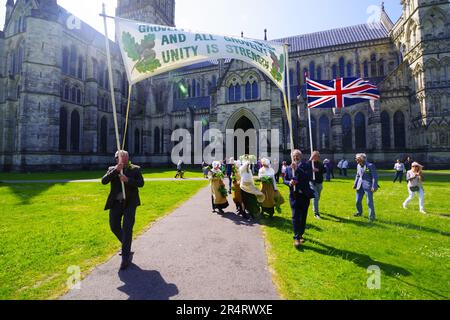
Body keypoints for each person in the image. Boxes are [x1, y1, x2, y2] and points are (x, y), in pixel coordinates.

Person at [102, 150, 144, 271]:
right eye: (122, 159)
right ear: (117, 159)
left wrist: (128, 180)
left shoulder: (135, 169)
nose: (125, 161)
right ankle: (126, 244)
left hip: (130, 203)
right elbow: (104, 181)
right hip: (116, 203)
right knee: (114, 226)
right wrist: (116, 170)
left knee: (127, 228)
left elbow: (141, 183)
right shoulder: (112, 169)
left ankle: (125, 257)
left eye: (126, 158)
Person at [284, 150, 314, 248]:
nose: (295, 158)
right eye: (294, 156)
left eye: (297, 156)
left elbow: (308, 177)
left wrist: (297, 169)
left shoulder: (306, 166)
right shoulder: (288, 168)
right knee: (295, 216)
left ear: (300, 156)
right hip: (294, 196)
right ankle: (296, 237)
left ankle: (301, 234)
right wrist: (289, 183)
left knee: (303, 217)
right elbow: (285, 179)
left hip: (304, 195)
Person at [353, 153, 379, 222]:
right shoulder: (358, 165)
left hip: (368, 186)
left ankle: (371, 217)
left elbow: (374, 177)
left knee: (369, 202)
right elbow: (358, 175)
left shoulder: (370, 165)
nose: (356, 160)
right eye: (356, 158)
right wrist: (355, 184)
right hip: (359, 185)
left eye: (357, 158)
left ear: (363, 159)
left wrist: (374, 186)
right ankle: (359, 212)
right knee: (357, 201)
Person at [309, 151, 325, 219]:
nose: (316, 157)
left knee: (317, 197)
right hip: (312, 182)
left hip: (319, 182)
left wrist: (318, 170)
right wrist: (310, 159)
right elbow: (304, 166)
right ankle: (316, 213)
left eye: (317, 156)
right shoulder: (310, 163)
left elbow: (324, 171)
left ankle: (314, 206)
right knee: (315, 197)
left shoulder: (321, 164)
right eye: (314, 156)